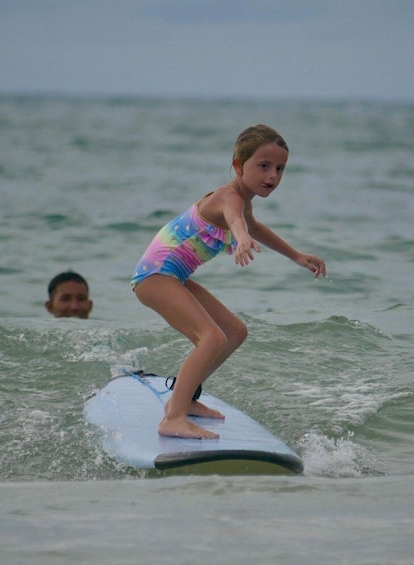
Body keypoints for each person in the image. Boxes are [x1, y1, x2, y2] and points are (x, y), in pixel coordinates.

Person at [130, 124, 327, 440]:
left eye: (280, 168)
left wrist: (296, 255)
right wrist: (241, 237)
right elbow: (236, 219)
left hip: (174, 277)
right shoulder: (228, 197)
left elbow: (252, 225)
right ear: (238, 165)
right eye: (263, 166)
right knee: (212, 337)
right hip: (155, 277)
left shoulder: (244, 202)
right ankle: (174, 417)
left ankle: (186, 399)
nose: (273, 175)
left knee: (235, 332)